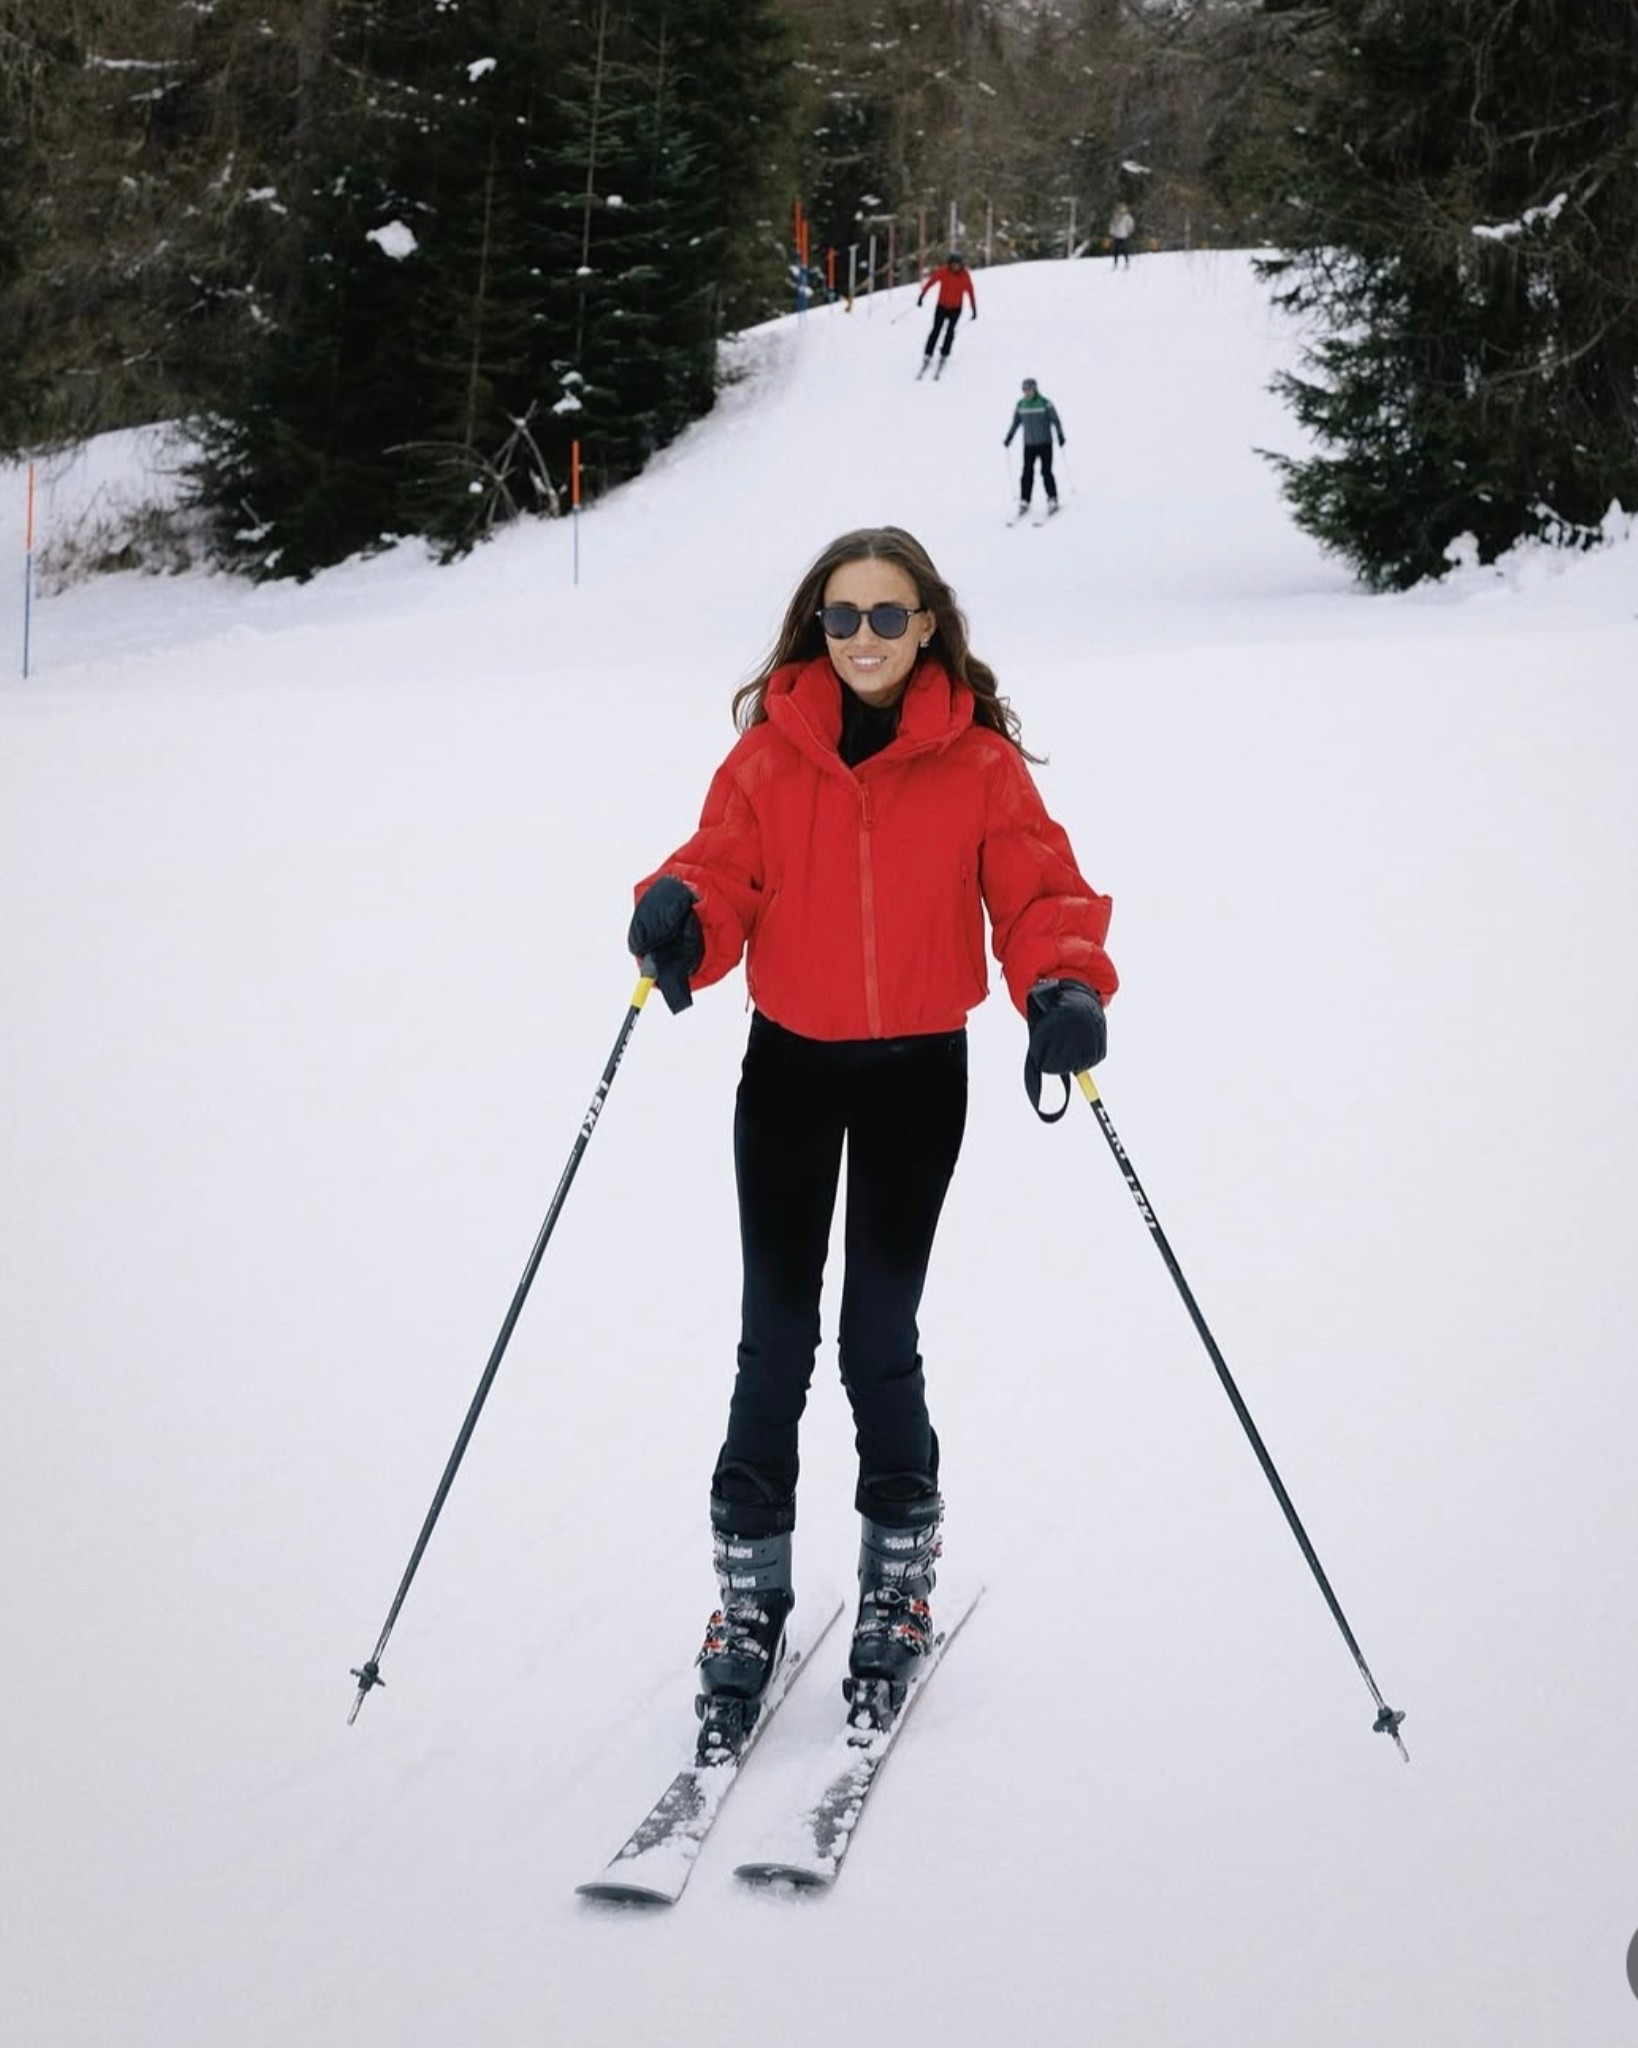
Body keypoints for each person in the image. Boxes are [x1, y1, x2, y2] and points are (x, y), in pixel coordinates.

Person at [627, 526, 1117, 1759]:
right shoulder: (769, 755)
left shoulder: (980, 764)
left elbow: (1039, 892)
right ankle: (751, 1596)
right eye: (841, 617)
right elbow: (723, 874)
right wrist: (682, 914)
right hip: (787, 1069)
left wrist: (1061, 985)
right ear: (815, 626)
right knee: (774, 1337)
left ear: (929, 627)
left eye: (886, 618)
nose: (861, 640)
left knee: (877, 1334)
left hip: (913, 1078)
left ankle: (897, 1577)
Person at [1003, 377, 1066, 519]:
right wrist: (1009, 437)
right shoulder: (1021, 405)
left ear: (1035, 389)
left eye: (1029, 390)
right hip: (1029, 445)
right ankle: (1025, 500)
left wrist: (1060, 435)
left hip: (1045, 443)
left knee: (1046, 471)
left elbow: (1056, 420)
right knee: (1027, 473)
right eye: (1025, 390)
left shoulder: (1045, 403)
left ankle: (1052, 498)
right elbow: (1016, 423)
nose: (1027, 393)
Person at [916, 252, 977, 376]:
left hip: (956, 308)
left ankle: (945, 352)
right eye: (953, 265)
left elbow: (970, 292)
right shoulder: (943, 271)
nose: (955, 267)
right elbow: (931, 282)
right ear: (949, 264)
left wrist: (974, 309)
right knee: (936, 330)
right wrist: (922, 295)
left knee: (950, 331)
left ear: (961, 265)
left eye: (957, 265)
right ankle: (928, 353)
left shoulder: (965, 276)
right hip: (942, 306)